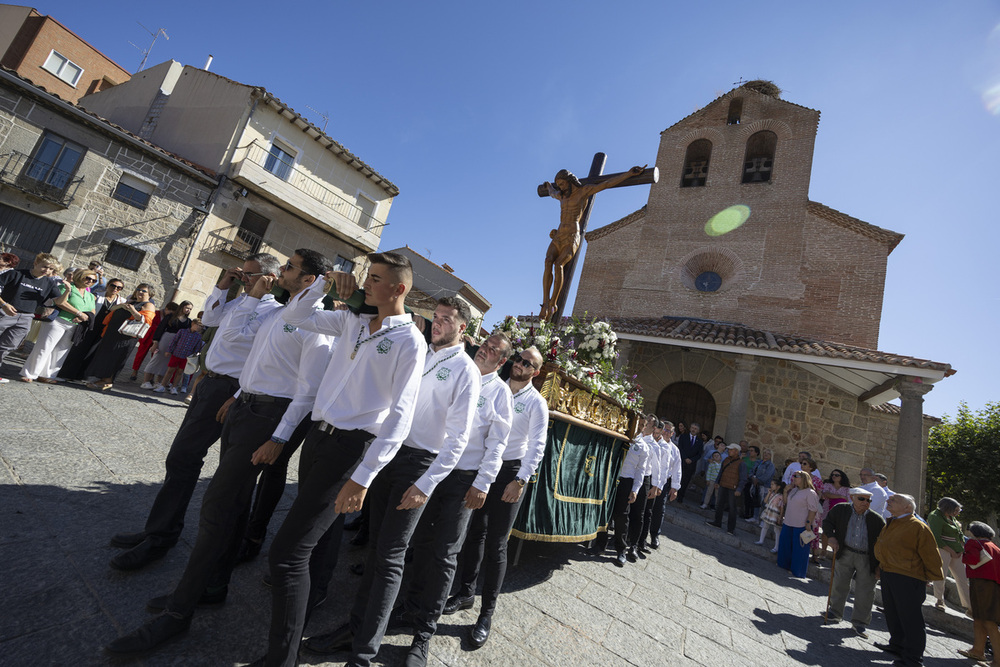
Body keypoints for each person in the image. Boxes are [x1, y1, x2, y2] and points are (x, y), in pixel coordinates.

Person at [106, 250, 335, 656]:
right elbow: (254, 357)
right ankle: (213, 586)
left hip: (269, 418)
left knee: (216, 507)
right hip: (246, 407)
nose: (281, 272)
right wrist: (240, 394)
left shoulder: (315, 326)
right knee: (230, 505)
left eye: (290, 268)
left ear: (309, 279)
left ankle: (179, 612)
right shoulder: (287, 311)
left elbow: (307, 391)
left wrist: (279, 438)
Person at [258, 251, 426, 667]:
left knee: (287, 552)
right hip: (319, 438)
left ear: (398, 289)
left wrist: (364, 476)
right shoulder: (352, 321)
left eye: (376, 278)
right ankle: (286, 649)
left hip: (351, 451)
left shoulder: (409, 340)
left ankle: (282, 658)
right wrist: (323, 285)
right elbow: (294, 317)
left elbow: (401, 417)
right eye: (368, 276)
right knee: (300, 546)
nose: (366, 283)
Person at [302, 298, 482, 663]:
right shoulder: (423, 352)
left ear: (463, 329)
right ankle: (355, 629)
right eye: (437, 318)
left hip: (418, 463)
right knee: (375, 550)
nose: (438, 324)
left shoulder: (465, 369)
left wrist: (426, 484)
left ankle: (364, 652)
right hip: (391, 451)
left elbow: (459, 438)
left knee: (390, 556)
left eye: (447, 320)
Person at [107, 255, 282, 571]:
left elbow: (237, 341)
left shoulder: (271, 311)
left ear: (267, 277)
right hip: (209, 384)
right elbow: (212, 322)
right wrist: (222, 286)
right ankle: (158, 528)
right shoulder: (240, 300)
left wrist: (253, 297)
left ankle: (162, 536)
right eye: (240, 272)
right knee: (181, 458)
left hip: (230, 389)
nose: (242, 277)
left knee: (185, 458)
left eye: (248, 274)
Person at [390, 328, 511, 663]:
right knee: (421, 545)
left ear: (501, 362)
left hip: (463, 480)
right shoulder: (458, 372)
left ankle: (423, 634)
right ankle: (409, 607)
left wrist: (483, 483)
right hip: (433, 469)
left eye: (493, 349)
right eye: (485, 344)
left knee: (445, 553)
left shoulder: (499, 394)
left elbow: (498, 443)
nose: (485, 349)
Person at [443, 345, 548, 647]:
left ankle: (486, 613)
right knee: (475, 532)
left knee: (497, 543)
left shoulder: (536, 403)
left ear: (536, 372)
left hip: (510, 472)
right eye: (518, 359)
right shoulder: (496, 388)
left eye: (528, 364)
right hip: (484, 465)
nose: (521, 365)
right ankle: (465, 593)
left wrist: (520, 480)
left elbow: (537, 445)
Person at [539, 165, 645, 319]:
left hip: (571, 236)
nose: (560, 187)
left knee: (558, 265)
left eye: (562, 184)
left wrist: (628, 174)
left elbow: (606, 184)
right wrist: (549, 186)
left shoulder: (583, 192)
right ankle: (545, 302)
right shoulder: (561, 196)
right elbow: (552, 192)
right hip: (558, 235)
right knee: (548, 261)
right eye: (559, 185)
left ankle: (553, 303)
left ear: (570, 181)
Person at [872, 493, 945, 667]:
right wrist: (880, 566)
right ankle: (897, 645)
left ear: (908, 508)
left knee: (910, 619)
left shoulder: (918, 527)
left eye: (894, 500)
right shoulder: (893, 521)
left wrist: (930, 577)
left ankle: (913, 659)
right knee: (892, 612)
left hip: (909, 577)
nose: (888, 501)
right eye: (889, 500)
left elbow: (931, 555)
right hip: (889, 573)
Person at [822, 487, 886, 638]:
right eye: (861, 499)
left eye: (868, 500)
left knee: (866, 590)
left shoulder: (876, 519)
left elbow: (883, 543)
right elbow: (827, 523)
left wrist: (879, 565)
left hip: (866, 557)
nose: (865, 503)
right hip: (845, 552)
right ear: (852, 497)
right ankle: (834, 612)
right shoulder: (841, 509)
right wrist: (831, 537)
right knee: (839, 583)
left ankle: (860, 623)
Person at [592, 415, 652, 566]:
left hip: (627, 481)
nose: (640, 426)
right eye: (638, 423)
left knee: (622, 516)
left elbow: (640, 471)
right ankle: (600, 545)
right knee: (605, 511)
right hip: (611, 478)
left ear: (645, 427)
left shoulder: (643, 447)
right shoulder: (620, 437)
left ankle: (621, 550)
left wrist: (635, 490)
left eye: (643, 425)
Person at [19, 268, 97, 383]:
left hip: (75, 325)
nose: (90, 281)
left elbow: (92, 311)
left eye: (93, 280)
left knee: (61, 351)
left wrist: (83, 317)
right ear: (80, 276)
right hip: (58, 321)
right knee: (44, 347)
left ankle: (48, 375)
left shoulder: (90, 296)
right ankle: (29, 373)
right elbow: (60, 302)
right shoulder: (66, 287)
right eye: (88, 278)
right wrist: (79, 313)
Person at [0, 252, 62, 381]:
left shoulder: (49, 283)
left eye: (51, 269)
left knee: (9, 345)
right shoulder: (16, 274)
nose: (47, 270)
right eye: (45, 266)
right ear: (35, 263)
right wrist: (4, 304)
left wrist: (67, 291)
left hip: (26, 317)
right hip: (5, 312)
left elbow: (59, 301)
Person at [83, 289, 157, 390]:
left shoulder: (149, 305)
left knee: (115, 356)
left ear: (150, 294)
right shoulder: (131, 302)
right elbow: (112, 309)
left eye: (143, 290)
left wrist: (132, 310)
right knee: (106, 355)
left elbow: (144, 320)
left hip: (126, 336)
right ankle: (101, 378)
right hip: (113, 333)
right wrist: (121, 305)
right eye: (138, 289)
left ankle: (107, 381)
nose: (140, 292)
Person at [58, 277, 128, 381]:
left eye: (119, 288)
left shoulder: (122, 301)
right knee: (79, 349)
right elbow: (86, 307)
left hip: (105, 330)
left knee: (93, 352)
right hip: (90, 326)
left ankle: (81, 375)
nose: (115, 289)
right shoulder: (97, 296)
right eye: (113, 285)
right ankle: (66, 374)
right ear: (108, 285)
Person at [958, 521, 1000, 663]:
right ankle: (978, 650)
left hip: (980, 584)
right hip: (994, 586)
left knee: (986, 621)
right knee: (982, 619)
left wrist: (964, 554)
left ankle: (997, 660)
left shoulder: (974, 544)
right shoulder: (995, 547)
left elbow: (972, 560)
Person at [641, 419, 680, 549]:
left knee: (658, 509)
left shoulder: (674, 450)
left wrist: (675, 487)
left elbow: (676, 469)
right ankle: (639, 535)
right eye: (665, 429)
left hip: (663, 483)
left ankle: (654, 535)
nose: (666, 432)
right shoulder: (650, 441)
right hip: (648, 478)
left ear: (673, 434)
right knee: (644, 508)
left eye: (669, 431)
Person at [928, 497, 971, 612]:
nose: (957, 513)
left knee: (962, 578)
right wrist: (951, 551)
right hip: (943, 549)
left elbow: (960, 533)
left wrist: (961, 548)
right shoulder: (935, 516)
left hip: (956, 549)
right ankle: (939, 600)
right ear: (947, 508)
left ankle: (970, 606)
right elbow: (936, 537)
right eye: (955, 510)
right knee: (941, 575)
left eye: (958, 511)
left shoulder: (951, 517)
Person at [776, 470, 821, 579]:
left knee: (800, 549)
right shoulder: (794, 490)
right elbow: (786, 502)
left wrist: (808, 523)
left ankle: (797, 571)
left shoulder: (810, 492)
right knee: (785, 544)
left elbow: (813, 509)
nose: (794, 478)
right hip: (789, 521)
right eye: (793, 476)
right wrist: (785, 492)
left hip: (801, 524)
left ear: (803, 478)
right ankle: (784, 565)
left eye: (796, 476)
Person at [146, 301, 193, 392]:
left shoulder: (188, 321)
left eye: (190, 309)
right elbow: (161, 328)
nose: (188, 310)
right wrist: (156, 341)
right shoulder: (171, 317)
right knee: (157, 358)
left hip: (178, 342)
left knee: (168, 363)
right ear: (182, 307)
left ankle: (158, 381)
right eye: (187, 307)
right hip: (166, 338)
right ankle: (146, 381)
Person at [131, 301, 175, 383]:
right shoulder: (156, 313)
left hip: (159, 339)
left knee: (155, 357)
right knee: (140, 355)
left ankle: (151, 376)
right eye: (170, 312)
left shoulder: (171, 318)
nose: (170, 314)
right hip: (148, 337)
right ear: (166, 309)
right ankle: (135, 372)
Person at [161, 318, 205, 395]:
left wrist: (194, 356)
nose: (199, 328)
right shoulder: (182, 331)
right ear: (193, 324)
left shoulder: (198, 337)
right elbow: (174, 341)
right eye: (198, 325)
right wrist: (169, 350)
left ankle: (174, 387)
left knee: (180, 372)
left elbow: (197, 348)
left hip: (186, 358)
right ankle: (162, 385)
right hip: (176, 354)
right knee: (170, 370)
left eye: (201, 327)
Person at [707, 443, 743, 535]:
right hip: (723, 485)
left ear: (736, 452)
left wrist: (739, 489)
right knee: (719, 505)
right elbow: (721, 472)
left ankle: (731, 528)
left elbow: (743, 479)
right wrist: (717, 482)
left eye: (731, 450)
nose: (729, 451)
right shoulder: (726, 460)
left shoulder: (741, 464)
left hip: (733, 488)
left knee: (732, 508)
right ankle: (717, 522)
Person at [818, 469, 851, 559]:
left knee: (838, 533)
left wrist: (835, 496)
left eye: (837, 475)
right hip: (827, 510)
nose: (834, 476)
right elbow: (826, 494)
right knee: (825, 531)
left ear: (841, 477)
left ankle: (835, 553)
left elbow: (848, 501)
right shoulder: (828, 485)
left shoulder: (847, 489)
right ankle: (823, 551)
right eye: (833, 475)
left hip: (841, 514)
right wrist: (840, 496)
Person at [676, 421, 702, 504]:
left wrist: (691, 459)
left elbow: (699, 454)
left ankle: (680, 497)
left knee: (685, 481)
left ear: (698, 431)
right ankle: (673, 494)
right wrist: (685, 458)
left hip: (691, 465)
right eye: (692, 428)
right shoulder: (683, 437)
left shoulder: (700, 441)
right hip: (682, 462)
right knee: (677, 479)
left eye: (695, 429)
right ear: (690, 428)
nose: (693, 430)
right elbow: (680, 448)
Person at [755, 480, 785, 552]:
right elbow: (765, 501)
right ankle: (761, 540)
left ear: (778, 487)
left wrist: (780, 516)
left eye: (773, 484)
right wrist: (769, 493)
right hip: (769, 512)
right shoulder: (772, 494)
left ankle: (776, 547)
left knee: (776, 530)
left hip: (775, 514)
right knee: (765, 526)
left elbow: (781, 507)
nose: (771, 486)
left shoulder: (781, 496)